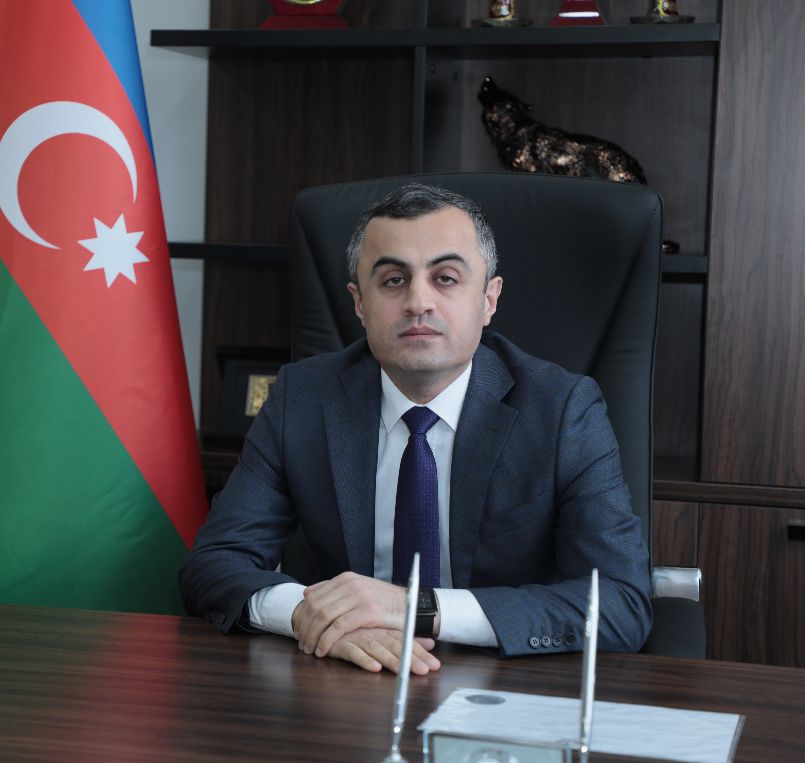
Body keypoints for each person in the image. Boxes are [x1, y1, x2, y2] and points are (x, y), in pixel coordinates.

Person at [179, 183, 652, 675]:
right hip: (347, 675)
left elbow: (620, 604)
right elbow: (214, 565)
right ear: (359, 303)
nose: (418, 302)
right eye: (392, 280)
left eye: (445, 278)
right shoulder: (303, 398)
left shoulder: (561, 409)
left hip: (506, 682)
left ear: (489, 299)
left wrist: (417, 610)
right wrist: (309, 613)